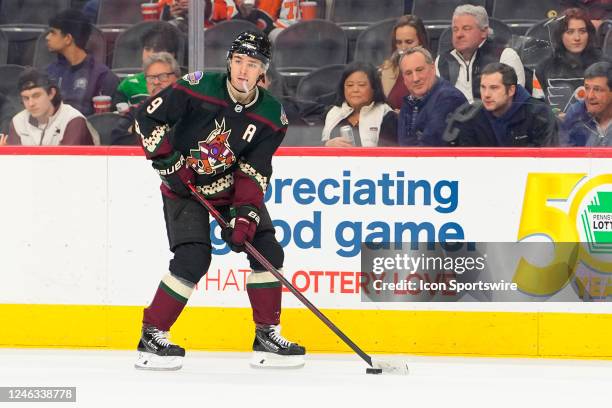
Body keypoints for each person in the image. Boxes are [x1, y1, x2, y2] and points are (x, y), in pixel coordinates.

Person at [133, 31, 305, 370]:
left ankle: (267, 335)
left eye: (252, 64)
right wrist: (169, 164)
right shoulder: (196, 87)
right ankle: (152, 335)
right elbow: (146, 117)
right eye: (238, 61)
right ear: (229, 63)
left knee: (268, 252)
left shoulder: (273, 116)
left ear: (263, 72)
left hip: (228, 189)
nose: (243, 70)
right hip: (184, 185)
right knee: (193, 257)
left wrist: (244, 218)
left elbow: (253, 171)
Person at [446, 63, 558, 147]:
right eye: (483, 87)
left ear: (511, 90)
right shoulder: (471, 117)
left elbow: (546, 163)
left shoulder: (540, 115)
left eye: (494, 88)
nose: (486, 95)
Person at [435, 4, 525, 103]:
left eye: (466, 28)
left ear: (484, 31)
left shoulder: (505, 56)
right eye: (455, 29)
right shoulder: (442, 61)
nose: (459, 34)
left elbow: (516, 102)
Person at [45, 9, 120, 116]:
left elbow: (105, 121)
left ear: (68, 38)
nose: (47, 37)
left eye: (53, 33)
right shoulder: (49, 72)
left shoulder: (103, 76)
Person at [534, 8, 603, 115]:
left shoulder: (604, 65)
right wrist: (554, 118)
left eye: (582, 31)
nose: (577, 38)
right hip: (557, 129)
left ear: (589, 34)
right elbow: (537, 108)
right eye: (570, 32)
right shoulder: (543, 68)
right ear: (560, 36)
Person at [5, 68, 97, 146]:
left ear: (51, 93)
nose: (31, 103)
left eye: (36, 96)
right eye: (26, 98)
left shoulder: (73, 120)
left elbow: (68, 164)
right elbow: (15, 163)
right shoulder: (18, 122)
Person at [398, 47, 467, 146]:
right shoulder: (409, 101)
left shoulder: (448, 98)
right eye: (408, 73)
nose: (415, 78)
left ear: (433, 68)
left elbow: (430, 149)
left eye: (419, 70)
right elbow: (402, 146)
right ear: (403, 79)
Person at [110, 52, 180, 145]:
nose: (156, 82)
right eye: (151, 78)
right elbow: (117, 140)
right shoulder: (136, 111)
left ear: (178, 80)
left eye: (163, 76)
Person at [322, 61, 397, 147]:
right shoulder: (332, 113)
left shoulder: (387, 115)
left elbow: (390, 155)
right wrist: (326, 145)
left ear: (374, 88)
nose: (355, 90)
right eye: (350, 85)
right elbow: (312, 146)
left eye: (361, 85)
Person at [114, 23, 181, 108]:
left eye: (158, 50)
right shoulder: (128, 85)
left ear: (172, 54)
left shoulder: (184, 85)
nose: (150, 54)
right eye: (147, 49)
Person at [379, 15, 429, 110]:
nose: (403, 47)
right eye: (399, 42)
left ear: (421, 41)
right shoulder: (387, 69)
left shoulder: (433, 69)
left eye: (409, 42)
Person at [562, 61, 612, 146]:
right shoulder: (576, 114)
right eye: (587, 88)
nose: (589, 96)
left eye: (597, 89)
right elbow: (564, 154)